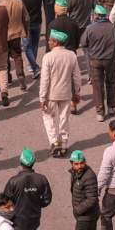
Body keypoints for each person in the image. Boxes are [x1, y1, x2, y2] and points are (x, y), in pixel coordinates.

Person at [39, 29, 81, 157]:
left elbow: (45, 79)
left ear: (56, 42)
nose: (48, 42)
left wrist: (42, 97)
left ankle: (54, 142)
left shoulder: (48, 57)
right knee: (64, 118)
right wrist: (77, 92)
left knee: (48, 116)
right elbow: (77, 77)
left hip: (51, 94)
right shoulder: (72, 55)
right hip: (66, 93)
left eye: (50, 40)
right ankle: (63, 145)